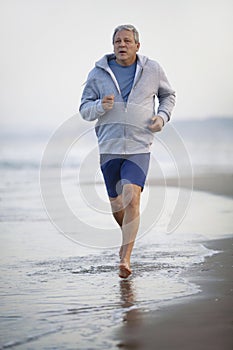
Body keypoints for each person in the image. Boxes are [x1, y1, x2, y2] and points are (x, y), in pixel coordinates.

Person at [79, 24, 176, 278]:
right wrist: (100, 105)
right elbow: (84, 109)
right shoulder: (97, 73)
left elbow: (168, 96)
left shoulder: (152, 69)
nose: (122, 45)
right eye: (117, 41)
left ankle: (125, 258)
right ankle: (129, 237)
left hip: (139, 145)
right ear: (113, 46)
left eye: (126, 41)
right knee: (117, 204)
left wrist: (162, 117)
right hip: (109, 147)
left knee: (132, 197)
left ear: (137, 46)